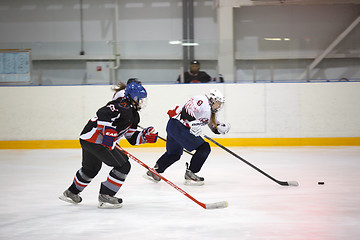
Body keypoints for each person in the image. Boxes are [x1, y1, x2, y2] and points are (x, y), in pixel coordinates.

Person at [59, 81, 158, 209]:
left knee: (91, 169)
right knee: (123, 165)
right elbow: (103, 112)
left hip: (88, 140)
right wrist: (108, 131)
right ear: (134, 98)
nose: (142, 102)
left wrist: (144, 137)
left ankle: (71, 193)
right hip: (96, 140)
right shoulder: (122, 105)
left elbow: (131, 138)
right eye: (140, 99)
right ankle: (106, 195)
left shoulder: (134, 116)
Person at [145, 89, 231, 185]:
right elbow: (187, 110)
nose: (219, 106)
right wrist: (193, 122)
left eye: (220, 104)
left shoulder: (212, 111)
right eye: (218, 103)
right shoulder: (202, 100)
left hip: (175, 126)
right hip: (179, 126)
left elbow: (212, 124)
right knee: (204, 148)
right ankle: (191, 172)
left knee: (174, 154)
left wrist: (219, 129)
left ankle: (155, 171)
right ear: (212, 99)